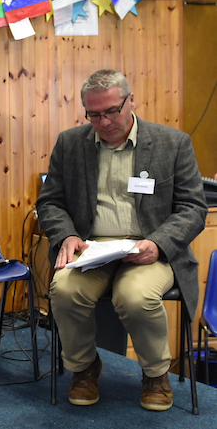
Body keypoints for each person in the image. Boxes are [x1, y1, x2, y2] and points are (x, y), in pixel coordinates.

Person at [37, 69, 207, 411]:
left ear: (131, 101)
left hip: (149, 249)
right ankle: (85, 368)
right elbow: (50, 202)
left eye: (112, 111)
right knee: (64, 291)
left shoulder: (172, 143)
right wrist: (67, 234)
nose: (104, 122)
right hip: (91, 249)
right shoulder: (71, 143)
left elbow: (192, 208)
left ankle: (155, 374)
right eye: (94, 114)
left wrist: (158, 243)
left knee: (135, 296)